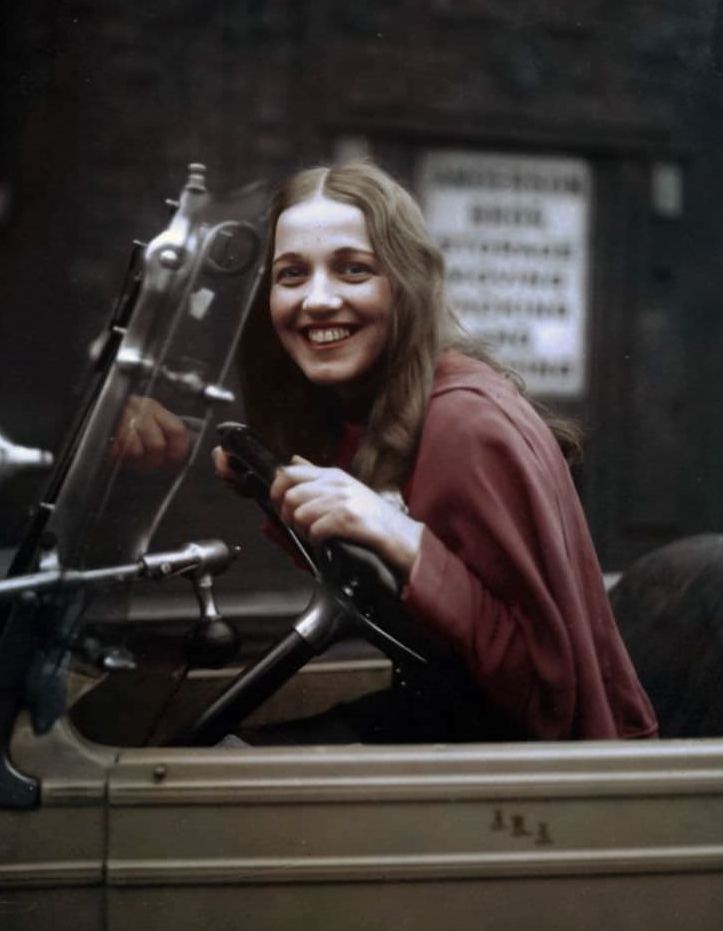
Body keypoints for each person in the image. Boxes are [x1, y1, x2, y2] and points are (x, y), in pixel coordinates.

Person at [115, 161, 657, 742]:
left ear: (405, 284)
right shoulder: (369, 411)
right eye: (292, 274)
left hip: (531, 773)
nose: (317, 300)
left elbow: (554, 701)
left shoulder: (465, 424)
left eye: (353, 270)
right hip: (446, 722)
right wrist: (274, 494)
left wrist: (401, 538)